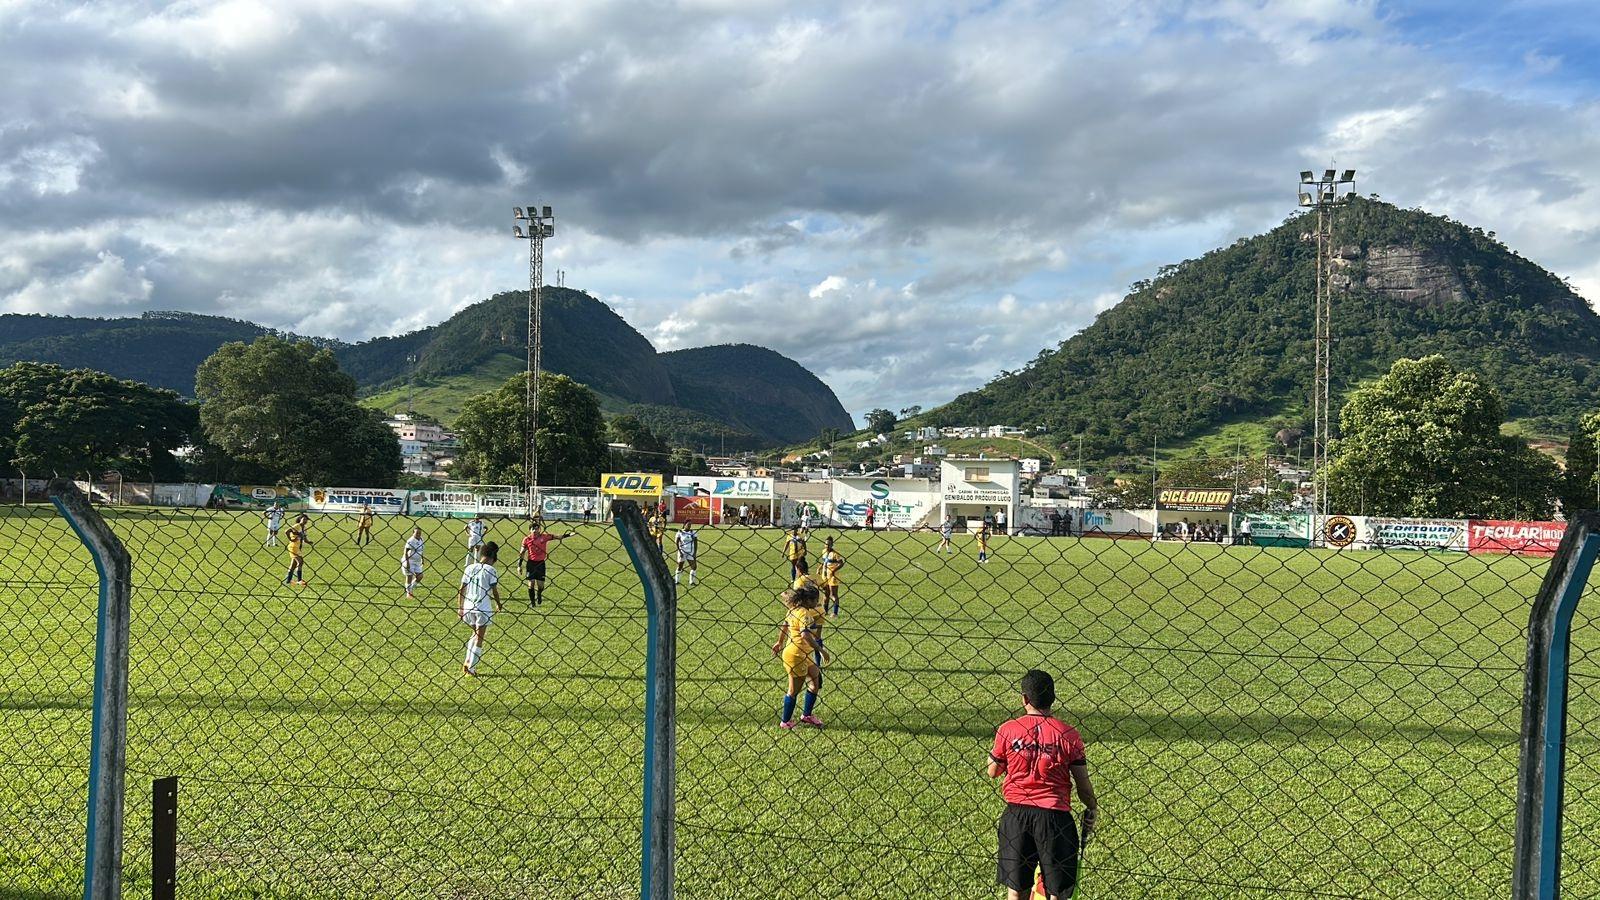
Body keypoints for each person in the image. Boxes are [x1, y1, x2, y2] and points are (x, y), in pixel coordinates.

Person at [988, 670, 1098, 900]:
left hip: (1017, 816)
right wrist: (1092, 807)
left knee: (1017, 889)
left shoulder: (1008, 729)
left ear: (1024, 699)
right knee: (1057, 891)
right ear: (1053, 699)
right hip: (1055, 818)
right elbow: (1083, 784)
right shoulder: (1069, 734)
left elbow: (993, 771)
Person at [770, 581, 826, 730]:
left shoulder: (793, 609)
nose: (817, 602)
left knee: (816, 683)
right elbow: (806, 636)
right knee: (793, 691)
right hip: (796, 655)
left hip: (803, 654)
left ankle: (807, 716)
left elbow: (785, 625)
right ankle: (785, 721)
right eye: (816, 600)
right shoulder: (805, 613)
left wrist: (779, 642)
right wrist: (821, 650)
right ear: (808, 600)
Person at [455, 541, 502, 677]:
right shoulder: (491, 570)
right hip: (483, 607)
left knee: (474, 634)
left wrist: (460, 607)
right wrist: (499, 604)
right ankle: (471, 668)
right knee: (479, 638)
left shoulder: (469, 568)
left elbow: (461, 589)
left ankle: (467, 662)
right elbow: (494, 590)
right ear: (492, 558)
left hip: (468, 606)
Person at [520, 520, 573, 605]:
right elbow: (521, 553)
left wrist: (569, 535)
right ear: (530, 530)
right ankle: (532, 602)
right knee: (531, 584)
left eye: (537, 529)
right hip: (531, 564)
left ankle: (539, 593)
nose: (535, 530)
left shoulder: (544, 537)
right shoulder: (526, 539)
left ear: (539, 530)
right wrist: (519, 565)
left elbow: (557, 537)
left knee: (540, 585)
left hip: (541, 564)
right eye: (533, 529)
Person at [820, 536, 846, 618]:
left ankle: (835, 613)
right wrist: (819, 568)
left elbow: (841, 563)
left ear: (832, 545)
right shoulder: (824, 551)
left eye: (829, 544)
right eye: (826, 544)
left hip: (833, 577)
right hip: (824, 576)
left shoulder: (835, 554)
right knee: (826, 594)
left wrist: (834, 570)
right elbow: (824, 562)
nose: (827, 546)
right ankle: (825, 611)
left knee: (833, 594)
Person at [283, 519, 312, 586]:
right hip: (293, 547)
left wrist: (308, 542)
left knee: (293, 565)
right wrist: (291, 539)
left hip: (298, 548)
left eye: (306, 519)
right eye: (304, 519)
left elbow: (304, 538)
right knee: (300, 562)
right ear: (300, 519)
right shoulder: (297, 526)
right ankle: (299, 580)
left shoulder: (304, 528)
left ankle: (288, 580)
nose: (305, 521)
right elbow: (287, 531)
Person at [402, 526, 426, 599]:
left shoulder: (421, 539)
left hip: (417, 562)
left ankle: (410, 588)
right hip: (410, 561)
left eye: (419, 533)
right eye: (417, 533)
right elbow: (405, 552)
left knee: (420, 576)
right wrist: (407, 563)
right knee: (409, 577)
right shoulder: (410, 541)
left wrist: (422, 558)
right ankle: (408, 593)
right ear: (413, 533)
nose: (418, 534)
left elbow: (421, 550)